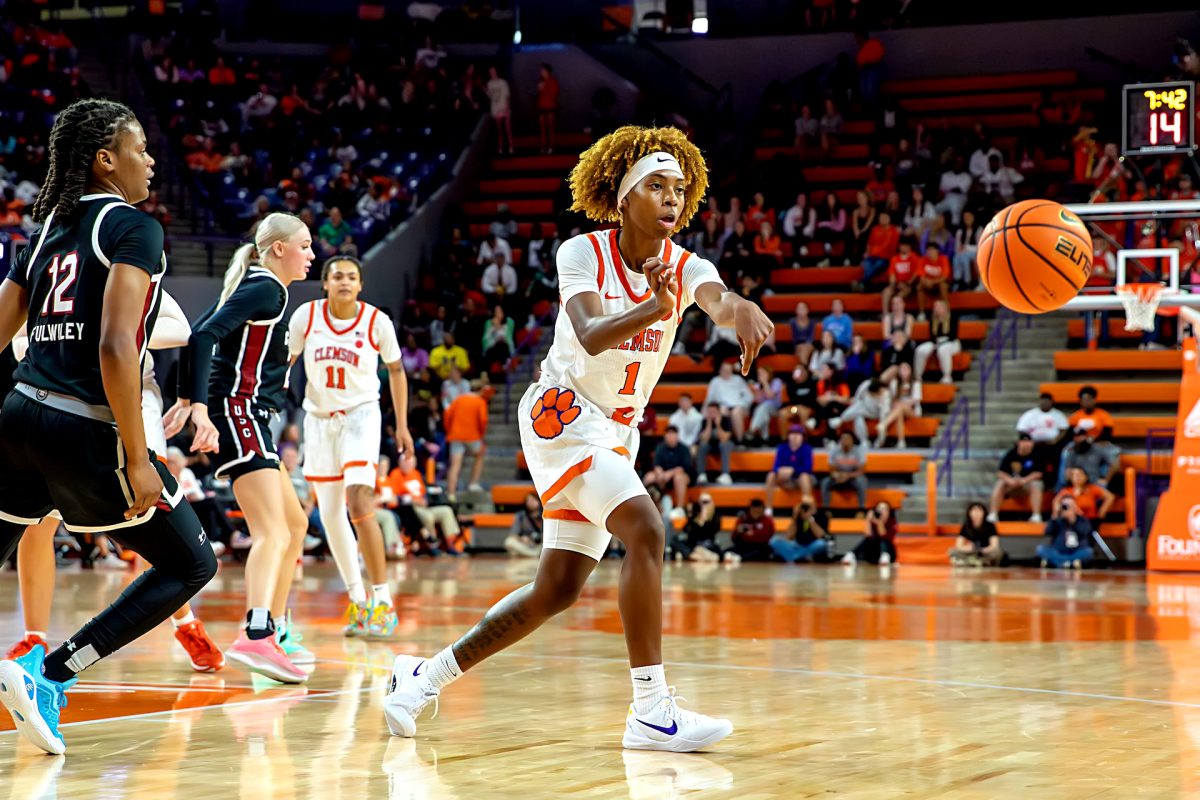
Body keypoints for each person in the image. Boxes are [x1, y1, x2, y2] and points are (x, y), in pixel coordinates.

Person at [384, 124, 773, 752]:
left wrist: (738, 308)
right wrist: (654, 307)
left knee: (557, 590)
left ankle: (421, 679)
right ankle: (651, 709)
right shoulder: (581, 254)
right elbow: (591, 332)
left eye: (679, 188)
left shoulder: (685, 264)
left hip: (617, 432)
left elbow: (715, 298)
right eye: (655, 186)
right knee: (647, 530)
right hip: (561, 418)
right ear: (623, 198)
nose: (671, 198)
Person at [0, 99, 217, 754]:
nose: (151, 160)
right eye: (141, 148)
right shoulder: (133, 228)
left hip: (18, 418)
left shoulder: (43, 231)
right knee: (190, 563)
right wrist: (138, 454)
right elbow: (119, 348)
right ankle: (52, 674)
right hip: (82, 429)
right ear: (105, 158)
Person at [6, 291, 225, 672]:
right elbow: (19, 342)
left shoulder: (127, 260)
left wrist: (113, 327)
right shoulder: (46, 265)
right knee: (36, 525)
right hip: (58, 404)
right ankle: (35, 638)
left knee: (145, 514)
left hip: (132, 401)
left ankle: (185, 623)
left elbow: (181, 329)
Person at [166, 211, 313, 684]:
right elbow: (204, 334)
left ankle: (277, 632)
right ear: (278, 250)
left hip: (250, 415)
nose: (311, 254)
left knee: (295, 523)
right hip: (239, 412)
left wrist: (189, 399)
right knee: (272, 531)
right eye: (305, 246)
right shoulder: (267, 286)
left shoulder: (264, 287)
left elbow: (204, 330)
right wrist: (200, 408)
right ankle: (256, 632)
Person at [287, 255, 413, 640]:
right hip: (319, 421)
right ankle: (358, 601)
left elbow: (395, 370)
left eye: (351, 277)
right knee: (329, 515)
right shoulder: (306, 317)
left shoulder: (377, 321)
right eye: (337, 276)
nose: (344, 281)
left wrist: (402, 425)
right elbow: (285, 362)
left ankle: (383, 601)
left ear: (360, 285)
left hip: (360, 416)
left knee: (359, 503)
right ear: (325, 283)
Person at [988, 434, 1044, 523]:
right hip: (1012, 486)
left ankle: (1036, 515)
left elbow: (1039, 473)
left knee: (1036, 483)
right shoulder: (1011, 454)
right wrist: (1010, 480)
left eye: (1029, 442)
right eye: (1024, 442)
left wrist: (1024, 480)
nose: (1026, 444)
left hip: (1026, 486)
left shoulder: (1036, 455)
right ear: (1019, 443)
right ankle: (993, 514)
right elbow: (1000, 472)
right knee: (1000, 482)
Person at [444, 389, 488, 498]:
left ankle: (451, 492)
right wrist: (481, 435)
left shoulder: (458, 399)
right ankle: (473, 483)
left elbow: (447, 414)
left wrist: (449, 430)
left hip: (456, 434)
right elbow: (483, 420)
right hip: (472, 435)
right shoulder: (480, 401)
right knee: (480, 455)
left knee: (455, 464)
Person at [764, 426, 815, 513]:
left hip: (799, 479)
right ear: (788, 436)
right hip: (785, 479)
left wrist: (793, 470)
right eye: (792, 434)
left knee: (804, 477)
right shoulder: (782, 448)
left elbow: (808, 468)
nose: (795, 436)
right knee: (771, 475)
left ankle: (807, 508)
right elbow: (775, 465)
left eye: (798, 434)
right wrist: (780, 470)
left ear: (803, 437)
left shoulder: (806, 448)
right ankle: (768, 508)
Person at [643, 426, 694, 512]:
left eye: (673, 434)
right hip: (664, 476)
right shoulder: (660, 447)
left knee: (679, 478)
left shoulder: (683, 449)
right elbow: (656, 464)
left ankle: (680, 508)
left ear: (677, 436)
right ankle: (646, 508)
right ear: (665, 436)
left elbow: (684, 467)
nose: (671, 436)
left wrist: (669, 474)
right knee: (649, 477)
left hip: (680, 476)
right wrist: (660, 474)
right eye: (669, 434)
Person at [1036, 496, 1093, 569]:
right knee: (1040, 549)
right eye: (1065, 506)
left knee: (1088, 552)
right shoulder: (1057, 520)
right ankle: (1069, 563)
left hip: (1076, 551)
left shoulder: (1082, 520)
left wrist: (1072, 520)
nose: (1067, 508)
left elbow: (1085, 532)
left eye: (1070, 506)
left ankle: (1059, 562)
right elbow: (1047, 532)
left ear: (1075, 507)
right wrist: (1055, 515)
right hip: (1058, 551)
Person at [704, 360, 753, 442]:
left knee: (736, 413)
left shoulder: (738, 380)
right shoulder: (715, 381)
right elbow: (710, 399)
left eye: (728, 370)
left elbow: (749, 396)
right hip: (722, 407)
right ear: (720, 371)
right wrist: (716, 408)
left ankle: (740, 440)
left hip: (738, 406)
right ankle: (726, 440)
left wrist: (741, 405)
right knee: (721, 412)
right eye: (724, 370)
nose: (726, 372)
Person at [830, 377, 891, 445]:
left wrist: (881, 436)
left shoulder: (885, 394)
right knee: (858, 415)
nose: (873, 396)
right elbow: (857, 399)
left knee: (859, 411)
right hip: (864, 407)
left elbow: (883, 415)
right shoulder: (865, 385)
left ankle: (841, 420)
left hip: (876, 413)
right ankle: (864, 441)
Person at [913, 299, 960, 383]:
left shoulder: (953, 317)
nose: (936, 309)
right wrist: (935, 345)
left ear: (944, 308)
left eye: (938, 307)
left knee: (943, 350)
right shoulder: (933, 319)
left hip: (951, 342)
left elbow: (953, 336)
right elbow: (932, 337)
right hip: (936, 342)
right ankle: (918, 377)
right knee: (920, 350)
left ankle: (947, 376)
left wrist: (940, 344)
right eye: (935, 307)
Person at [875, 363, 920, 448]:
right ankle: (901, 442)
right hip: (898, 409)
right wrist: (896, 403)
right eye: (902, 369)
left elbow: (915, 400)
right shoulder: (895, 383)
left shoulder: (915, 383)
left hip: (912, 410)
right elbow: (893, 399)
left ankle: (884, 424)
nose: (904, 371)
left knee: (900, 407)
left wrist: (902, 404)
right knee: (899, 412)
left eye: (906, 369)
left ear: (910, 371)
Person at [841, 501, 897, 565]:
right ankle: (851, 555)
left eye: (884, 509)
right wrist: (868, 520)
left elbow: (883, 535)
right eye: (879, 509)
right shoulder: (872, 521)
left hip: (888, 551)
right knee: (867, 540)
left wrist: (879, 523)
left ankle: (885, 556)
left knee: (883, 541)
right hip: (873, 553)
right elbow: (867, 534)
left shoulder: (892, 522)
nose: (881, 511)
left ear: (889, 512)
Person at [822, 432, 868, 510]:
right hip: (838, 477)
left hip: (852, 478)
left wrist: (847, 476)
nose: (845, 441)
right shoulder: (834, 451)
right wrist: (837, 476)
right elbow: (832, 469)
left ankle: (862, 509)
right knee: (825, 482)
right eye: (843, 439)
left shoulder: (859, 451)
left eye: (847, 439)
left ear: (852, 440)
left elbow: (860, 471)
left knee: (862, 481)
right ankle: (826, 509)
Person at [949, 502, 1003, 566]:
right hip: (971, 552)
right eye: (974, 510)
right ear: (969, 513)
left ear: (984, 512)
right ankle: (975, 562)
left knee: (998, 552)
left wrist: (985, 550)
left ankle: (976, 562)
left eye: (979, 510)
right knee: (952, 551)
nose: (976, 513)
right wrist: (966, 548)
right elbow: (958, 545)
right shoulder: (966, 526)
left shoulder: (990, 525)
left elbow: (994, 545)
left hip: (985, 552)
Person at [672, 493, 722, 562]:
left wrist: (704, 520)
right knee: (676, 541)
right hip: (693, 544)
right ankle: (696, 555)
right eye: (701, 502)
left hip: (707, 544)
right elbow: (685, 529)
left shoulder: (716, 516)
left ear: (711, 502)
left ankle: (693, 555)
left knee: (714, 549)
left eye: (706, 502)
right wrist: (691, 515)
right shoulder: (695, 514)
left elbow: (712, 531)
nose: (703, 504)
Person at [695, 402, 734, 485]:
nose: (711, 414)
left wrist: (718, 425)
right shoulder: (704, 421)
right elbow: (704, 439)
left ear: (719, 412)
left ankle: (725, 474)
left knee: (723, 445)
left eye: (714, 412)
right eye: (709, 412)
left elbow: (724, 439)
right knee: (702, 446)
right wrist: (709, 424)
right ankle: (701, 474)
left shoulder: (726, 420)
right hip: (711, 445)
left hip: (726, 444)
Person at [861, 211, 900, 285]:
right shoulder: (875, 229)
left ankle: (862, 282)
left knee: (878, 265)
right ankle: (865, 284)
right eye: (881, 217)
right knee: (866, 264)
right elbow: (869, 243)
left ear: (889, 219)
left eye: (885, 217)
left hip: (885, 258)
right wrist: (867, 253)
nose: (882, 219)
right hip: (872, 256)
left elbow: (894, 247)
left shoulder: (894, 231)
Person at [747, 365, 784, 443]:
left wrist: (765, 383)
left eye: (762, 373)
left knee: (764, 407)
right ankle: (765, 438)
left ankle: (752, 430)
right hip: (763, 409)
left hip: (776, 408)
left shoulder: (776, 381)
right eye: (759, 374)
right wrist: (758, 390)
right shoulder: (758, 385)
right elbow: (757, 401)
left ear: (768, 374)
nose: (760, 376)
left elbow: (770, 396)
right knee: (762, 412)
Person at [880, 239, 919, 312]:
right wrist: (893, 284)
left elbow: (916, 274)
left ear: (910, 247)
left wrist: (907, 283)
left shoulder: (914, 258)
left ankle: (896, 313)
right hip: (897, 284)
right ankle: (885, 314)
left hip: (909, 285)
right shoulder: (895, 259)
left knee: (899, 296)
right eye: (902, 246)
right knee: (886, 292)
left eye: (906, 246)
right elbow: (892, 274)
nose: (904, 247)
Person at [915, 242, 950, 320]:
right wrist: (927, 282)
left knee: (943, 285)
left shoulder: (943, 259)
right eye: (928, 250)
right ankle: (921, 313)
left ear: (937, 251)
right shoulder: (922, 260)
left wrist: (932, 282)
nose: (930, 252)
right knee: (919, 286)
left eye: (932, 250)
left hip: (938, 284)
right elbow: (921, 276)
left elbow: (944, 276)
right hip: (927, 285)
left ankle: (947, 311)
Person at [505, 493, 544, 557]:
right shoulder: (520, 516)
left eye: (533, 500)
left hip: (541, 545)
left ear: (538, 500)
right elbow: (513, 535)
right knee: (509, 542)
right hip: (528, 545)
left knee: (514, 552)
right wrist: (521, 538)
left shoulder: (545, 514)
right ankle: (534, 554)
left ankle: (529, 554)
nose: (530, 502)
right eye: (528, 500)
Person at [486, 66, 513, 155]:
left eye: (493, 71)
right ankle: (500, 147)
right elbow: (490, 96)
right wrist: (487, 92)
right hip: (495, 109)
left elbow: (507, 96)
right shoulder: (489, 83)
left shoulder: (503, 82)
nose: (492, 73)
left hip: (504, 107)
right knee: (499, 130)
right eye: (490, 72)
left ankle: (511, 146)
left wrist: (507, 108)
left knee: (507, 129)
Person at [536, 63, 559, 154]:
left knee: (550, 127)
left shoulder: (553, 81)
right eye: (541, 71)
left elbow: (554, 93)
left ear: (547, 71)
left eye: (543, 70)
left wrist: (545, 88)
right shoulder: (540, 82)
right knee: (542, 128)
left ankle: (551, 146)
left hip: (550, 106)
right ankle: (543, 146)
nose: (541, 72)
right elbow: (539, 94)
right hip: (541, 106)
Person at [789, 301, 817, 367]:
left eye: (803, 308)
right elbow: (794, 338)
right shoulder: (793, 322)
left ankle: (801, 369)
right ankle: (804, 369)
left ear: (807, 310)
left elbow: (811, 338)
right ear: (796, 311)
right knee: (801, 350)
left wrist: (803, 344)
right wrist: (800, 345)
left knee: (804, 348)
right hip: (797, 346)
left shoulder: (812, 322)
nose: (801, 310)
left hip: (809, 346)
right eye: (799, 308)